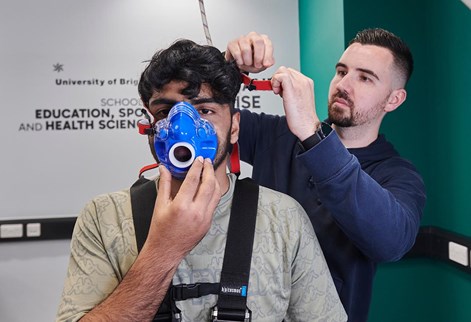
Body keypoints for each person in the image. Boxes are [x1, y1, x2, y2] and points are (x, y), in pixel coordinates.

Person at [56, 39, 347, 322]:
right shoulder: (104, 217)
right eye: (164, 112)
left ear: (234, 128)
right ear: (150, 125)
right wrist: (164, 248)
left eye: (205, 111)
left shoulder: (283, 218)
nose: (183, 128)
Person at [225, 28, 426, 322]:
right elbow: (197, 114)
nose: (344, 84)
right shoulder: (277, 134)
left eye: (365, 77)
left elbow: (391, 242)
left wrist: (311, 134)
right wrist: (228, 68)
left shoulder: (397, 175)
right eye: (342, 71)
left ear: (394, 99)